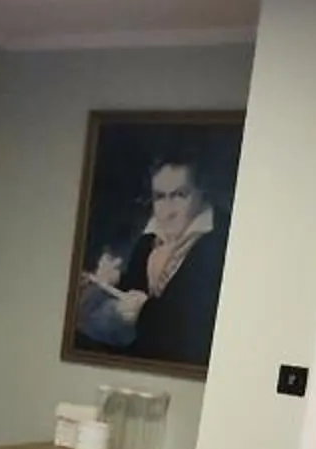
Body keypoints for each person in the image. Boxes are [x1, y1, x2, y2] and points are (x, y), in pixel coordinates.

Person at [76, 156, 227, 365]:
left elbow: (200, 325)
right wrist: (113, 281)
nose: (168, 210)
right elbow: (134, 292)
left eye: (179, 195)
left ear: (201, 193)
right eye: (159, 197)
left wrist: (143, 313)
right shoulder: (148, 240)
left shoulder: (221, 244)